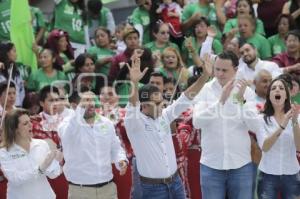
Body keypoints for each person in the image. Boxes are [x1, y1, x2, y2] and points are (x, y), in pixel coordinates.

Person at [124, 50, 212, 198]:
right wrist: (134, 82)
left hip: (176, 182)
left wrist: (205, 77)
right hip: (152, 189)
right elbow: (132, 105)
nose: (163, 104)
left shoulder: (164, 115)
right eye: (157, 102)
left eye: (162, 100)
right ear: (144, 105)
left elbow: (186, 97)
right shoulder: (134, 123)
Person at [192, 51, 262, 199]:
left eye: (224, 70)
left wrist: (241, 101)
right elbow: (197, 122)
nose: (220, 74)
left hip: (241, 165)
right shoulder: (205, 90)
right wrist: (220, 102)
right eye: (217, 69)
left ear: (235, 70)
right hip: (211, 164)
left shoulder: (246, 92)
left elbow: (255, 127)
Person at [58, 88, 128, 199]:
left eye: (91, 100)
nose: (90, 104)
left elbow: (115, 147)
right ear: (74, 106)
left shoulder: (106, 122)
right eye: (85, 101)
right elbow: (68, 134)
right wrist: (81, 109)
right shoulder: (66, 125)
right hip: (80, 191)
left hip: (108, 188)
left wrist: (121, 160)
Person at [0, 108, 62, 199]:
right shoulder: (4, 152)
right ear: (14, 129)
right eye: (25, 123)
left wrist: (55, 161)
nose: (31, 125)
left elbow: (53, 175)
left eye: (30, 121)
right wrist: (40, 169)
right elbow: (15, 179)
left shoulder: (41, 144)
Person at [256, 78, 300, 198]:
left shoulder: (297, 116)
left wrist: (295, 121)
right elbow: (264, 147)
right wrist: (282, 125)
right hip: (267, 174)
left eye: (281, 88)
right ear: (269, 96)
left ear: (286, 95)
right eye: (274, 88)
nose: (277, 90)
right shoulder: (261, 119)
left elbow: (299, 147)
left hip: (292, 174)